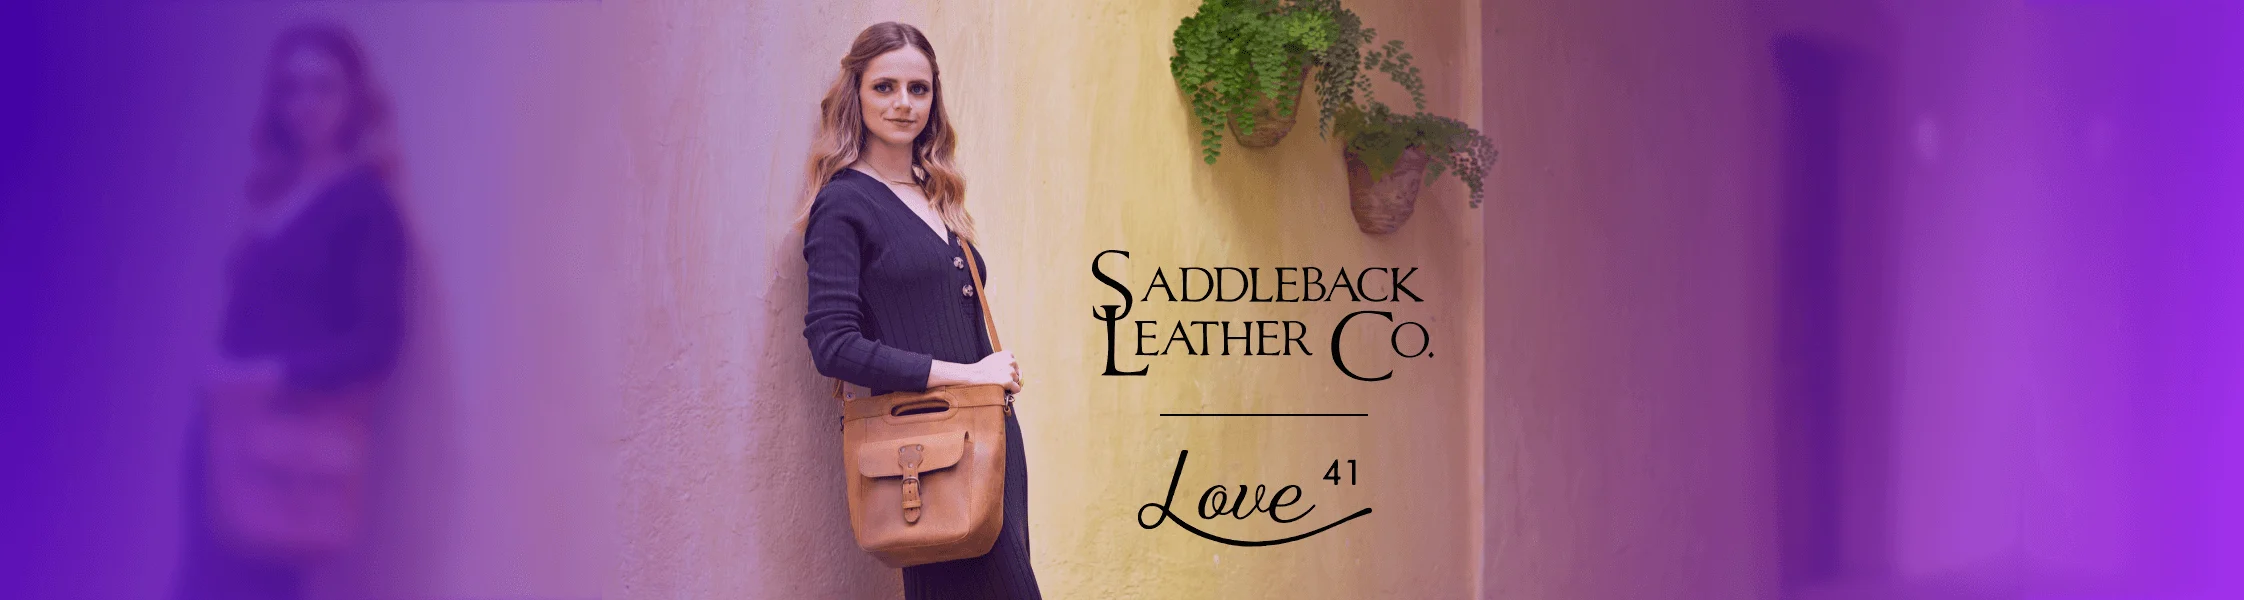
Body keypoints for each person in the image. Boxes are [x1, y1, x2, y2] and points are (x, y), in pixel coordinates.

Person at [798, 21, 1041, 600]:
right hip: (925, 453)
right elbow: (833, 346)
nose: (904, 104)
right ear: (855, 94)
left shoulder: (938, 193)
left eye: (919, 89)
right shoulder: (843, 205)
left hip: (989, 439)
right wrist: (968, 374)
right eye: (885, 87)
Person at [175, 22, 409, 600]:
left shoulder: (365, 205)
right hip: (223, 436)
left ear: (354, 98)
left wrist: (271, 375)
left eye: (323, 87)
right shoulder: (272, 198)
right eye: (292, 88)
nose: (306, 104)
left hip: (285, 451)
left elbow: (376, 344)